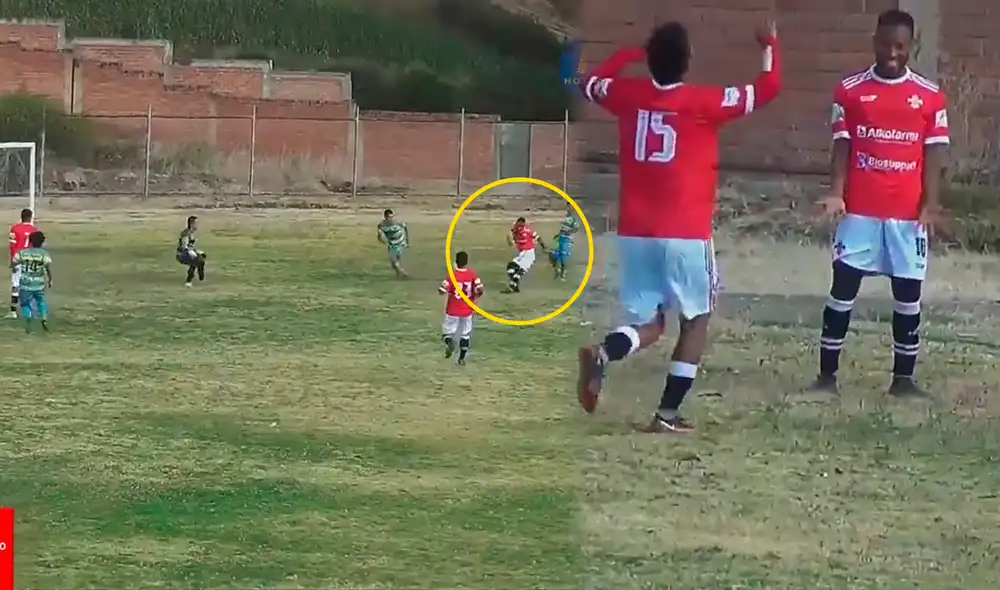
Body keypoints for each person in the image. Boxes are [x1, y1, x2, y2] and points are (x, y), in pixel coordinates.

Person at [574, 20, 781, 433]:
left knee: (651, 323)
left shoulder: (627, 95)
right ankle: (667, 414)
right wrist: (769, 44)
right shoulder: (704, 102)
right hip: (685, 232)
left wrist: (624, 56)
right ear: (688, 61)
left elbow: (589, 83)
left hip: (636, 231)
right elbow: (767, 88)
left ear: (650, 60)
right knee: (696, 319)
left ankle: (604, 353)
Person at [810, 9, 948, 398]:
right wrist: (837, 192)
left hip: (906, 217)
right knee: (842, 289)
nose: (892, 53)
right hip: (859, 212)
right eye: (885, 44)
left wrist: (931, 203)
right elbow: (842, 145)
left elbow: (934, 153)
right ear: (874, 42)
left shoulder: (930, 96)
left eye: (899, 46)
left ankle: (903, 381)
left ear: (911, 47)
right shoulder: (849, 91)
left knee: (908, 296)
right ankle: (826, 377)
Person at [439, 250, 484, 366]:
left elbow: (442, 290)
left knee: (447, 332)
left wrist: (444, 291)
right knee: (465, 334)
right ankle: (461, 359)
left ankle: (450, 343)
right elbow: (480, 289)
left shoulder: (452, 275)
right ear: (466, 262)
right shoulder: (473, 275)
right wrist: (476, 295)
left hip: (452, 309)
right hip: (467, 310)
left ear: (456, 262)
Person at [11, 231, 52, 333]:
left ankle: (29, 315)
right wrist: (50, 279)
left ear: (30, 241)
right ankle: (44, 317)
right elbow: (47, 268)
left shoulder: (22, 253)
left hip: (25, 282)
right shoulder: (44, 254)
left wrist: (14, 267)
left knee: (24, 303)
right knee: (40, 300)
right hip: (39, 282)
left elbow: (14, 262)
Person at [8, 208, 38, 319]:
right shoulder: (35, 230)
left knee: (16, 284)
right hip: (30, 260)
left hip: (18, 259)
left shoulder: (15, 228)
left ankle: (13, 311)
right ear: (30, 218)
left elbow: (12, 246)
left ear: (21, 217)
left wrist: (13, 260)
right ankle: (30, 310)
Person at [506, 217, 546, 292]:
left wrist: (544, 247)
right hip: (521, 253)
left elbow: (538, 237)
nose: (519, 227)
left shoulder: (528, 230)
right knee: (510, 268)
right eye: (518, 225)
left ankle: (512, 286)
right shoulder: (515, 228)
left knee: (519, 271)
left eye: (521, 226)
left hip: (529, 254)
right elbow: (510, 237)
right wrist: (510, 240)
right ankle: (515, 286)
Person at [550, 204, 580, 280]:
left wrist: (569, 232)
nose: (567, 208)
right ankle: (558, 270)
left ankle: (563, 273)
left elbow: (576, 228)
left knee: (563, 257)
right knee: (554, 254)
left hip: (567, 239)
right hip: (561, 238)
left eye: (569, 207)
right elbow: (563, 228)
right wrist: (558, 235)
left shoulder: (573, 218)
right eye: (567, 207)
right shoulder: (566, 217)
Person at [377, 209, 409, 278]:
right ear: (385, 217)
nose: (390, 219)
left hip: (400, 242)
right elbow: (379, 234)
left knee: (395, 262)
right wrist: (381, 239)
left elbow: (405, 228)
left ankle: (405, 274)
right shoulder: (382, 225)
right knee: (393, 264)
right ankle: (400, 275)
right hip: (391, 244)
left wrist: (406, 240)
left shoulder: (397, 222)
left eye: (391, 217)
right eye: (389, 217)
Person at [177, 215, 207, 287]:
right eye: (196, 223)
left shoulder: (192, 233)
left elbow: (190, 246)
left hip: (188, 252)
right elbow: (184, 247)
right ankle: (188, 281)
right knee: (195, 261)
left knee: (201, 260)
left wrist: (198, 252)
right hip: (182, 254)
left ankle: (201, 276)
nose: (197, 225)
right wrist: (192, 253)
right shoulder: (186, 234)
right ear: (192, 224)